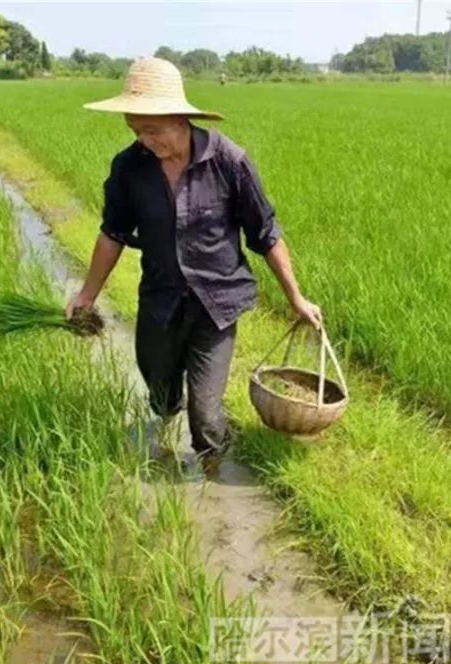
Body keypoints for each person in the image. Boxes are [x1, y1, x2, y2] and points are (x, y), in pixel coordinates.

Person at [66, 57, 321, 473]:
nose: (144, 140)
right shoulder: (129, 167)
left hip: (216, 303)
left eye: (152, 130)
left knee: (205, 412)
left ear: (181, 117)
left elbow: (266, 233)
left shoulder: (228, 161)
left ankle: (212, 468)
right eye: (135, 130)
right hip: (160, 299)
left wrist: (296, 297)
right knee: (161, 396)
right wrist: (87, 294)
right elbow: (113, 233)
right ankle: (169, 413)